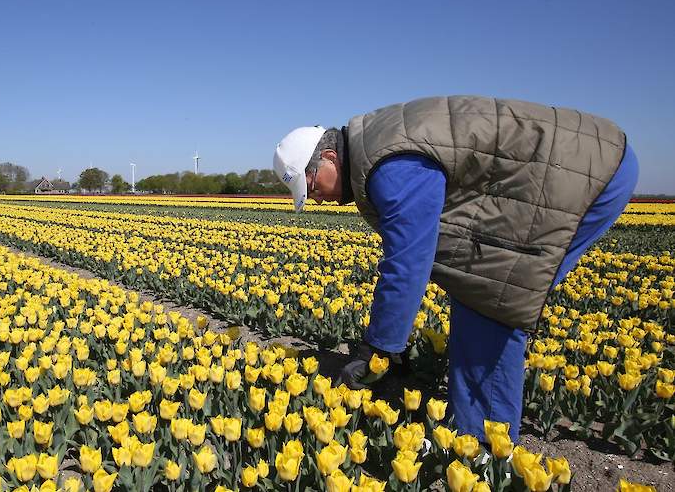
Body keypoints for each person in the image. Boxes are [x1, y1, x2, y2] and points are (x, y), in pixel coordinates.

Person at [273, 96, 638, 442]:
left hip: (583, 172)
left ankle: (481, 446)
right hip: (579, 164)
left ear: (330, 157)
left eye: (310, 185)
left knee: (493, 299)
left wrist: (377, 348)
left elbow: (408, 259)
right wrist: (391, 345)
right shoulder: (377, 146)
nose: (316, 197)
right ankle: (473, 429)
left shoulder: (390, 167)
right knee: (478, 290)